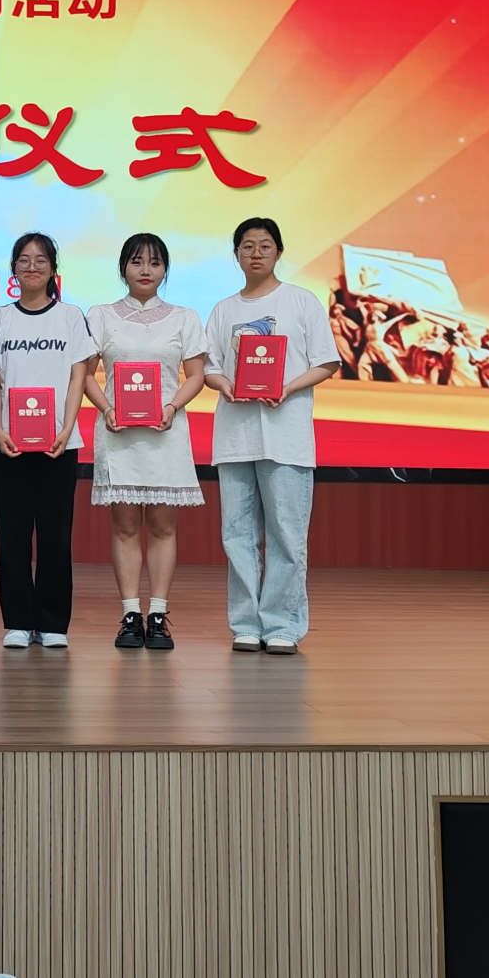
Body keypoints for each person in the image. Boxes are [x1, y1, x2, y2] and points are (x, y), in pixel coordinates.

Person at [202, 217, 341, 655]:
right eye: (247, 246)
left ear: (279, 251)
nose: (256, 253)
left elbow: (327, 361)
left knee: (286, 534)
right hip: (235, 436)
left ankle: (282, 625)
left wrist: (287, 387)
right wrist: (224, 384)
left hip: (287, 436)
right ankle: (245, 622)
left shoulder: (301, 301)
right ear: (236, 255)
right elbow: (209, 366)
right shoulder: (224, 309)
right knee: (237, 534)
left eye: (265, 245)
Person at [83, 233, 207, 651]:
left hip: (165, 433)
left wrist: (171, 407)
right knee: (124, 527)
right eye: (136, 262)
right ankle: (130, 615)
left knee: (163, 527)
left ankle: (158, 615)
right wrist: (107, 408)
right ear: (123, 269)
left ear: (165, 270)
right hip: (118, 433)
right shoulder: (101, 315)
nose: (145, 270)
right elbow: (85, 375)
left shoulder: (184, 317)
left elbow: (196, 375)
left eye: (154, 263)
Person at [0, 232, 94, 650]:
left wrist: (66, 428)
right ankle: (17, 620)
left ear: (53, 269)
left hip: (58, 443)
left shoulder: (70, 316)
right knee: (11, 535)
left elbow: (78, 376)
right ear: (13, 269)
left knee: (55, 535)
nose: (32, 267)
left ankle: (52, 622)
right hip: (8, 442)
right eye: (24, 260)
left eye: (41, 260)